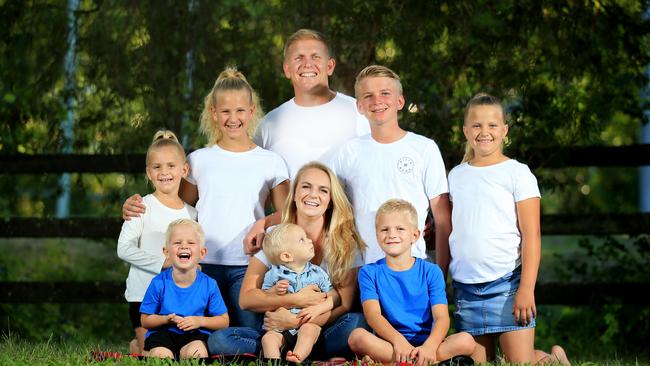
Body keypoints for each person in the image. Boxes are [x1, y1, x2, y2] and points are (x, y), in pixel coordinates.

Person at [123, 67, 290, 329]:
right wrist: (136, 204)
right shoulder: (198, 160)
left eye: (239, 111)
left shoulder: (271, 162)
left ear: (251, 111)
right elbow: (174, 208)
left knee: (248, 333)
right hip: (200, 267)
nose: (232, 118)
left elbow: (288, 214)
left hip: (248, 267)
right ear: (214, 113)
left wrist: (263, 223)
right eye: (225, 111)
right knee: (203, 334)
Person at [448, 93, 570, 365]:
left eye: (492, 125)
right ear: (466, 131)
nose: (484, 132)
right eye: (477, 125)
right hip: (467, 288)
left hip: (507, 284)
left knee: (520, 363)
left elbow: (532, 235)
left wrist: (526, 288)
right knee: (481, 362)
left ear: (504, 130)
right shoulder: (456, 175)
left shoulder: (517, 173)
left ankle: (553, 360)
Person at [208, 161, 367, 359]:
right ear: (294, 194)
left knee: (356, 322)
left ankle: (299, 352)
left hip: (321, 329)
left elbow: (343, 305)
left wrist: (296, 322)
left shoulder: (344, 243)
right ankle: (282, 351)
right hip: (277, 329)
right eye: (306, 186)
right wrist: (292, 300)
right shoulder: (276, 236)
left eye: (323, 190)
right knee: (220, 340)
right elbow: (246, 298)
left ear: (331, 200)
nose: (313, 195)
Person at [328, 65, 451, 273]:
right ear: (359, 106)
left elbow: (442, 217)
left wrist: (440, 273)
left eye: (385, 93)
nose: (377, 101)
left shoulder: (424, 148)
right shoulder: (347, 153)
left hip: (414, 268)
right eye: (368, 96)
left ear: (400, 101)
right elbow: (331, 211)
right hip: (364, 271)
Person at [348, 199, 476, 365]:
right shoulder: (369, 272)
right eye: (384, 229)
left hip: (429, 345)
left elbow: (442, 318)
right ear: (377, 234)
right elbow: (373, 316)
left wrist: (430, 346)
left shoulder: (431, 271)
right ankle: (427, 363)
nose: (392, 234)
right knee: (357, 337)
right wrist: (398, 341)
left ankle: (410, 361)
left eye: (400, 229)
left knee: (466, 341)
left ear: (415, 235)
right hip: (391, 344)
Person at [116, 130, 198, 355]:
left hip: (179, 298)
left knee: (178, 351)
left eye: (171, 166)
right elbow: (123, 248)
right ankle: (138, 345)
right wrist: (162, 263)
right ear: (148, 173)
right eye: (157, 167)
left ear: (184, 170)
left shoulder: (193, 214)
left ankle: (138, 346)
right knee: (151, 353)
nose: (164, 173)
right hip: (143, 297)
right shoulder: (141, 207)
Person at [253, 28, 370, 179]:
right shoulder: (269, 124)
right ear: (287, 69)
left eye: (316, 57)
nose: (307, 64)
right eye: (298, 58)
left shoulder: (359, 113)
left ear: (330, 67)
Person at [140, 219, 229, 360]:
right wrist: (165, 319)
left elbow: (223, 321)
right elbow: (145, 320)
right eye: (177, 242)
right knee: (161, 356)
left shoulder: (209, 284)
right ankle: (152, 352)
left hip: (195, 334)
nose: (183, 246)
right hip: (163, 333)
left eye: (191, 243)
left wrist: (199, 321)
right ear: (166, 252)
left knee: (197, 353)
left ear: (202, 252)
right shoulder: (158, 283)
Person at [260, 223, 337, 362]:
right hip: (279, 328)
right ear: (286, 256)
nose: (309, 240)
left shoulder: (317, 273)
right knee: (268, 339)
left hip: (308, 324)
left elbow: (333, 295)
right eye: (302, 239)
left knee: (308, 331)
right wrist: (274, 291)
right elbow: (264, 299)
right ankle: (274, 361)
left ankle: (296, 357)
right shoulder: (274, 274)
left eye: (306, 237)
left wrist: (319, 308)